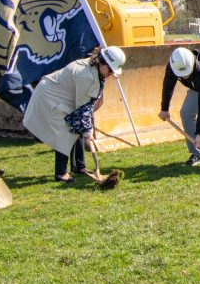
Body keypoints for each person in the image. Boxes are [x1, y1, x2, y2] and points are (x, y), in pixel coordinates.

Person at [22, 46, 126, 183]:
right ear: (102, 62)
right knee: (67, 129)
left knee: (78, 127)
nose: (112, 74)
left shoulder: (95, 69)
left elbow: (88, 106)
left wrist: (87, 127)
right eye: (111, 70)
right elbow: (82, 110)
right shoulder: (86, 75)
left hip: (63, 96)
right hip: (49, 96)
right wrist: (89, 134)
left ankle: (79, 166)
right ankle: (61, 173)